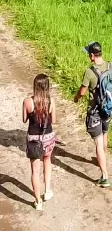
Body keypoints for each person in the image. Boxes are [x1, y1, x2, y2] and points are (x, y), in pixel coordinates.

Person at [74, 42, 112, 188]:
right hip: (109, 108)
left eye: (89, 54)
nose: (88, 56)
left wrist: (76, 98)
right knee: (105, 134)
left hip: (95, 112)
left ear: (92, 55)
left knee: (98, 143)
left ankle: (105, 177)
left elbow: (82, 92)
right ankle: (102, 158)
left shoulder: (90, 72)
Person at [23, 74, 56, 211]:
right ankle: (47, 191)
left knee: (35, 171)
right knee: (47, 161)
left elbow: (24, 120)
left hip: (34, 140)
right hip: (48, 137)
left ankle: (38, 202)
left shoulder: (27, 101)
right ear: (47, 86)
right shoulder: (51, 101)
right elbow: (54, 120)